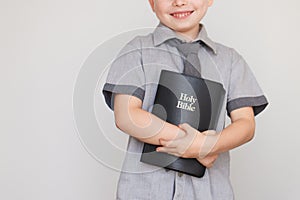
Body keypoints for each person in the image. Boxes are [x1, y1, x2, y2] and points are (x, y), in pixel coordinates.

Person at [102, 0, 268, 199]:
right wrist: (196, 146)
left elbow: (246, 125)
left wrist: (206, 144)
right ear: (152, 3)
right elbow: (127, 115)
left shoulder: (231, 60)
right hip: (145, 191)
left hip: (210, 192)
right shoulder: (136, 50)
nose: (179, 2)